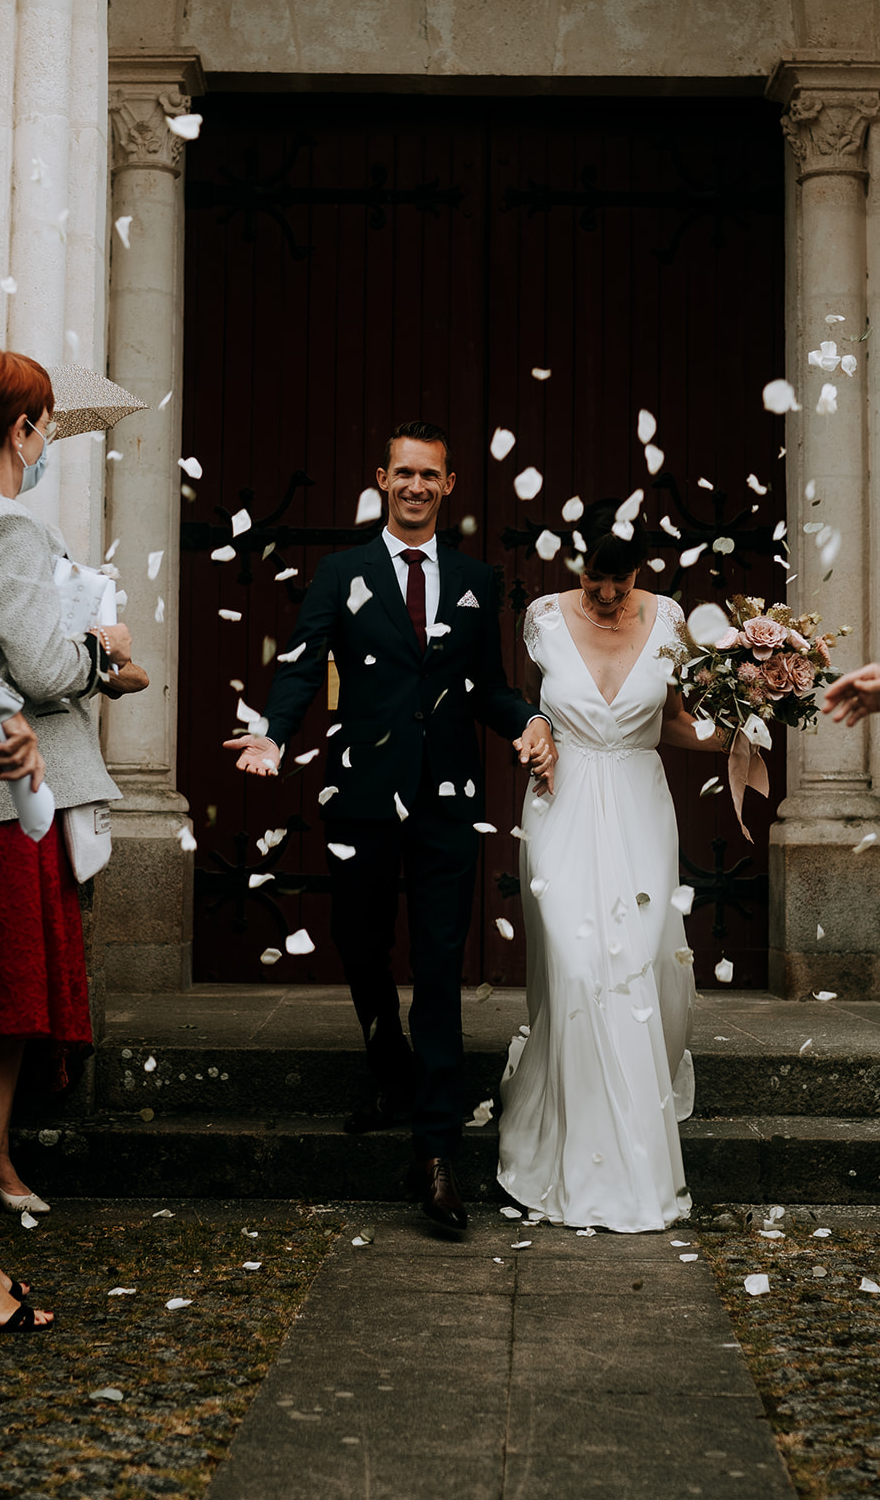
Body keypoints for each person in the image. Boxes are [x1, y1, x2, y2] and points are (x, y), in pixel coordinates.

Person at [225, 421, 555, 1233]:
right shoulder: (340, 574)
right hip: (362, 797)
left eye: (428, 475)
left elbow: (485, 686)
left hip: (446, 801)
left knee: (440, 968)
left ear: (449, 486)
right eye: (402, 473)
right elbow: (303, 663)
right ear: (381, 478)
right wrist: (274, 730)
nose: (414, 486)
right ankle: (388, 1065)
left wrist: (531, 719)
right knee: (360, 942)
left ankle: (435, 1152)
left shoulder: (478, 579)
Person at [496, 507, 729, 1233]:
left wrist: (744, 723)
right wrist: (532, 733)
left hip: (636, 800)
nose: (605, 596)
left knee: (636, 962)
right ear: (577, 567)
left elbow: (680, 725)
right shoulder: (539, 617)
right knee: (573, 963)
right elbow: (526, 707)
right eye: (594, 579)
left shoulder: (670, 621)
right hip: (559, 801)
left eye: (618, 581)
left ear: (641, 570)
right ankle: (570, 1145)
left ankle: (632, 1128)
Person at [0, 346, 130, 1332]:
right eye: (44, 427)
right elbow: (34, 658)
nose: (46, 445)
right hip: (1, 801)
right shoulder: (8, 522)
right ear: (23, 428)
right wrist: (101, 661)